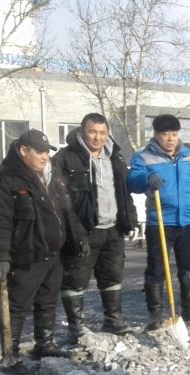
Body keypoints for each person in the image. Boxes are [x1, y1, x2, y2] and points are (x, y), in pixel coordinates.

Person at [0, 129, 87, 374]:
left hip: (53, 253)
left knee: (47, 302)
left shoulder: (49, 178)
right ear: (23, 151)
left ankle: (45, 343)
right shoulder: (4, 182)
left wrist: (77, 239)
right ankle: (10, 354)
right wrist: (0, 257)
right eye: (39, 152)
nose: (45, 157)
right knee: (17, 306)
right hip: (25, 256)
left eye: (47, 152)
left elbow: (65, 212)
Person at [52, 113, 139, 342]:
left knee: (112, 275)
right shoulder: (65, 158)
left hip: (113, 229)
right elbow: (60, 198)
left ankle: (113, 320)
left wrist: (130, 219)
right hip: (82, 229)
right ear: (82, 132)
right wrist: (71, 230)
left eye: (102, 133)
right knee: (75, 278)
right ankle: (76, 327)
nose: (97, 137)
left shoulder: (115, 157)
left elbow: (124, 192)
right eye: (92, 132)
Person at [127, 114, 190, 328]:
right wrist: (146, 178)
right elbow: (132, 181)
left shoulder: (189, 157)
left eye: (174, 134)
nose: (170, 139)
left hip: (188, 222)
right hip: (159, 222)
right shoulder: (144, 157)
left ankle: (188, 314)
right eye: (165, 134)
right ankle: (155, 316)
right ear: (156, 135)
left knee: (188, 270)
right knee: (156, 269)